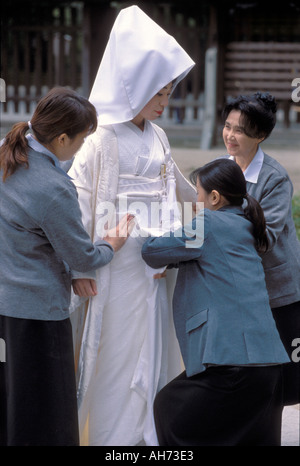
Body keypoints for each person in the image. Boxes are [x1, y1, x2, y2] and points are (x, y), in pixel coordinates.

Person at [68, 5, 196, 446]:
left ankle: (147, 438)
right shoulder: (101, 137)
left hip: (153, 264)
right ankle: (110, 439)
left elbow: (171, 193)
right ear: (135, 88)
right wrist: (81, 264)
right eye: (159, 94)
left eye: (167, 93)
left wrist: (172, 247)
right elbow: (81, 204)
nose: (165, 103)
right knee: (117, 354)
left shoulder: (158, 137)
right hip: (115, 265)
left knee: (155, 347)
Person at [0, 87, 133, 446]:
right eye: (81, 139)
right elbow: (83, 256)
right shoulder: (53, 186)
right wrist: (111, 244)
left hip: (5, 304)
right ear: (61, 138)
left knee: (12, 402)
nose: (81, 147)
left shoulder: (6, 150)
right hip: (37, 312)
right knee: (47, 412)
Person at [142, 158, 290, 446]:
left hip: (232, 363)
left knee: (168, 407)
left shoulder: (208, 222)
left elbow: (152, 251)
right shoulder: (245, 225)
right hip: (268, 367)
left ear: (214, 197)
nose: (195, 202)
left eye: (197, 194)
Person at [222, 92, 300, 405]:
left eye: (240, 130)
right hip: (239, 289)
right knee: (251, 376)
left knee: (285, 380)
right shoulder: (219, 169)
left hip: (277, 290)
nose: (230, 135)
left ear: (261, 136)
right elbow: (198, 216)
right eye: (227, 125)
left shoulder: (275, 179)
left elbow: (265, 238)